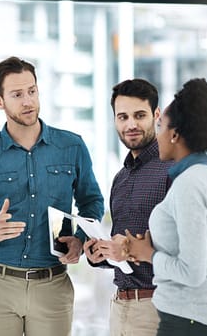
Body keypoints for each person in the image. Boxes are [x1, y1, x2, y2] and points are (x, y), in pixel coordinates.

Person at [0, 56, 104, 336]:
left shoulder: (71, 146)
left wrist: (79, 241)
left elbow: (92, 201)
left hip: (52, 285)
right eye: (17, 94)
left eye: (32, 91)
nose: (28, 101)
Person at [123, 78, 207, 336]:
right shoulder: (204, 176)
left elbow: (192, 272)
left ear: (174, 135)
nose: (156, 134)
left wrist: (147, 254)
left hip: (188, 320)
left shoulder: (190, 184)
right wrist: (153, 247)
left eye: (160, 125)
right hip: (197, 317)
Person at [83, 78, 174, 336]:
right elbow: (122, 252)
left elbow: (183, 249)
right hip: (120, 306)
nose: (130, 124)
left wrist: (127, 249)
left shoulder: (172, 169)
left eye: (139, 115)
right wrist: (100, 255)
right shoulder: (120, 179)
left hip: (158, 307)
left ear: (156, 115)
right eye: (122, 117)